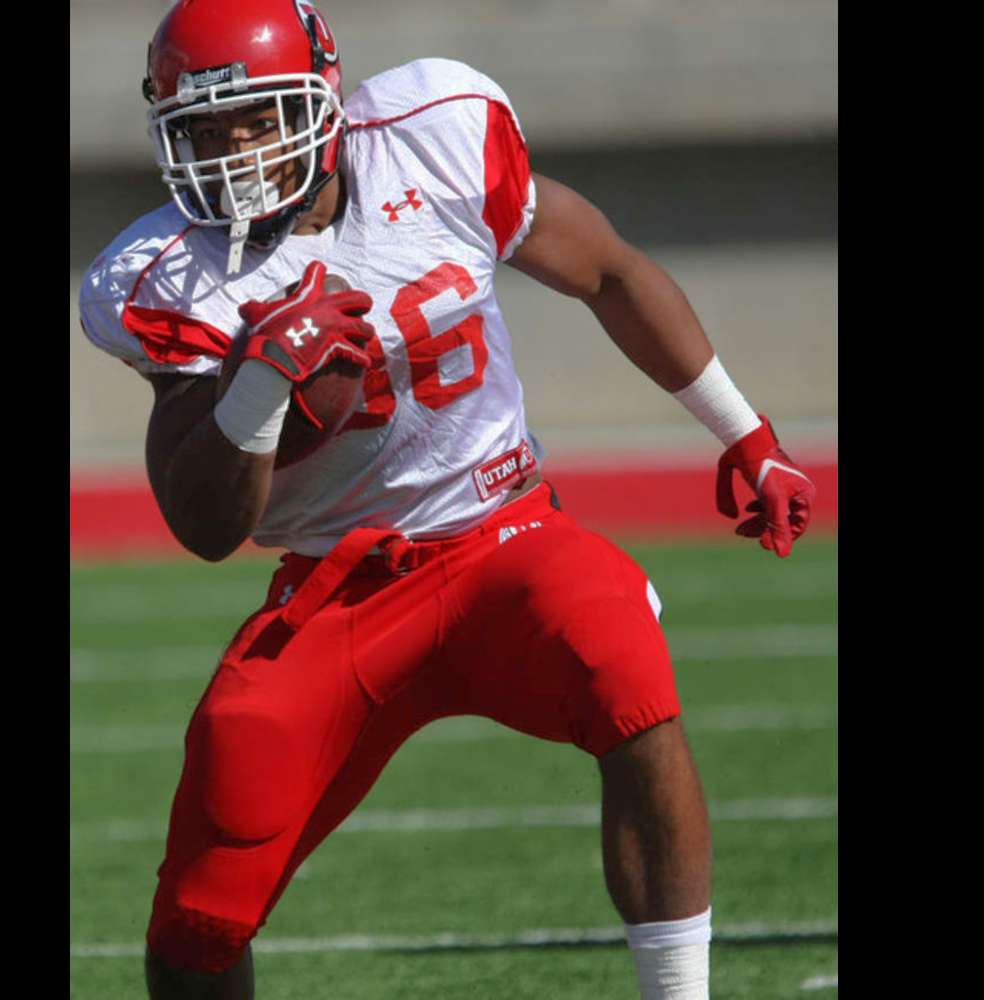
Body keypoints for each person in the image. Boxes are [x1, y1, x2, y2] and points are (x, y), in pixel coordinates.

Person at [78, 1, 816, 997]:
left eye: (257, 119)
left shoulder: (434, 141)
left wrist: (746, 433)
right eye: (203, 131)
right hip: (338, 588)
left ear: (324, 100)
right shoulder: (169, 275)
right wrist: (258, 381)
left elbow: (607, 269)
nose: (233, 152)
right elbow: (207, 528)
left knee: (620, 647)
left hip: (500, 532)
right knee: (201, 910)